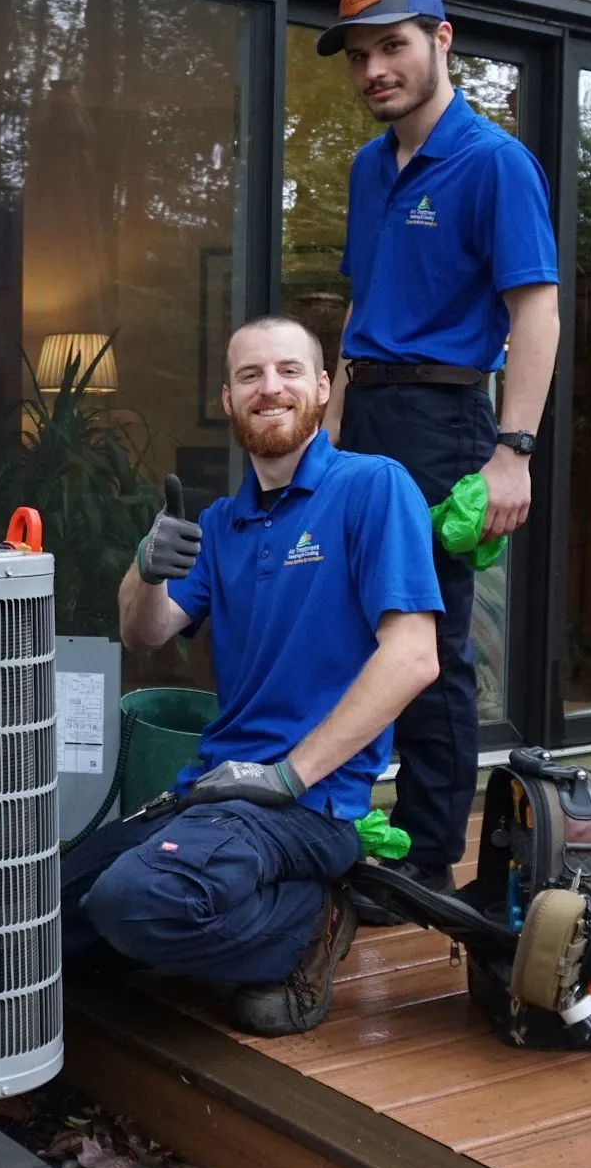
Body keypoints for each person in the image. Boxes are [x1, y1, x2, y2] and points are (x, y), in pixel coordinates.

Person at [60, 316, 441, 1037]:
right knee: (41, 916)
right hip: (212, 791)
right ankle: (224, 912)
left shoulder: (372, 487)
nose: (271, 387)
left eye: (289, 370)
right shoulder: (220, 523)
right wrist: (144, 569)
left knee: (129, 901)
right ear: (228, 401)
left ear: (322, 388)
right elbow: (143, 633)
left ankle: (308, 920)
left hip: (312, 804)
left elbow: (413, 656)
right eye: (250, 375)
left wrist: (288, 776)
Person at [316, 0, 562, 910]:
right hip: (367, 415)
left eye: (393, 46)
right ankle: (348, 823)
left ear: (441, 39)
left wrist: (513, 451)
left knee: (428, 640)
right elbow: (361, 310)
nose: (374, 70)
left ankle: (426, 860)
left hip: (445, 421)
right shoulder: (367, 168)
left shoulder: (494, 163)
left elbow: (534, 311)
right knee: (352, 627)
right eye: (360, 56)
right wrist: (329, 430)